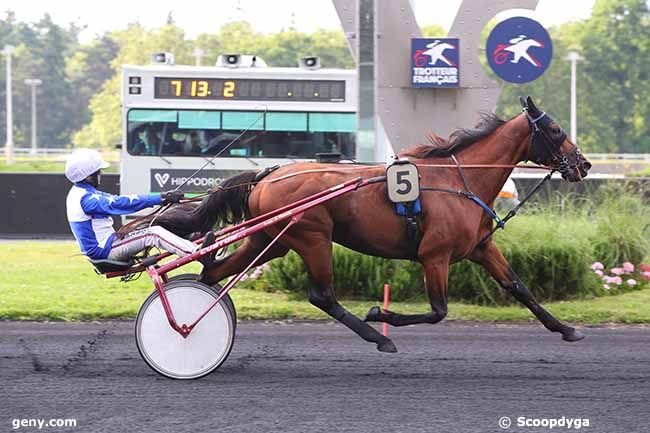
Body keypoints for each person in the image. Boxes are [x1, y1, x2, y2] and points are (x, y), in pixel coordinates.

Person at [65, 148, 214, 265]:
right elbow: (121, 203)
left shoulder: (83, 193)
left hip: (108, 245)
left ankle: (192, 239)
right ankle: (197, 253)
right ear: (88, 176)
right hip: (105, 251)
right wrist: (160, 197)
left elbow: (119, 199)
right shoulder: (86, 199)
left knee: (153, 227)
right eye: (98, 171)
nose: (101, 173)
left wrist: (163, 198)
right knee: (153, 233)